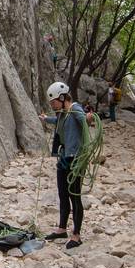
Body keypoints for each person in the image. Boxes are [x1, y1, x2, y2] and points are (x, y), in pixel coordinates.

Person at [38, 81, 96, 249]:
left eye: (54, 102)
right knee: (63, 194)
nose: (52, 105)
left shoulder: (75, 109)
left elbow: (84, 119)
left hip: (76, 159)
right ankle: (62, 229)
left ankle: (76, 235)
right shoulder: (63, 113)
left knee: (74, 196)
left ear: (63, 98)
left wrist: (89, 118)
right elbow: (57, 121)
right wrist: (45, 119)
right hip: (64, 158)